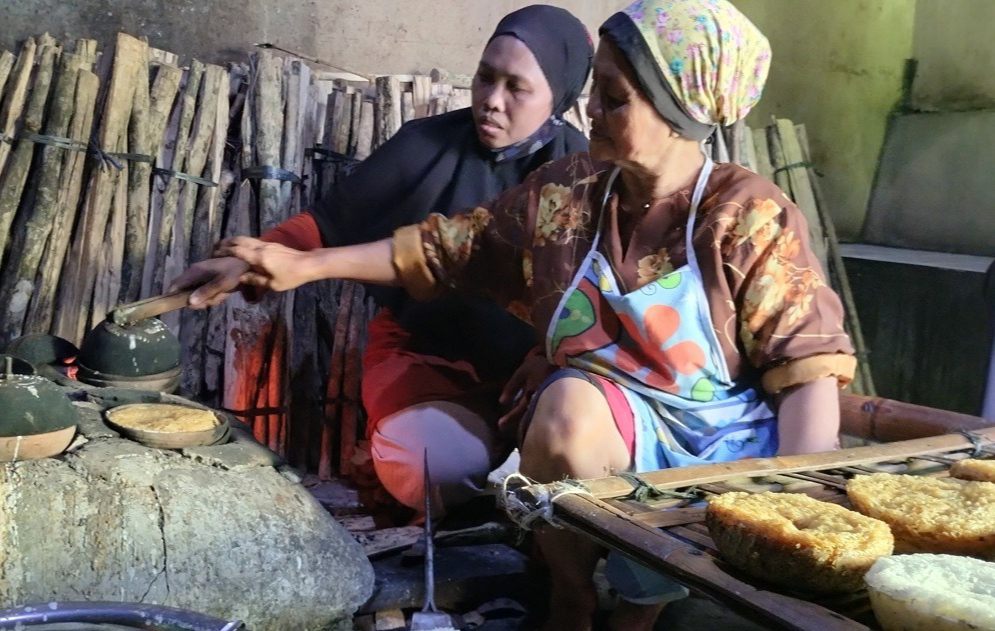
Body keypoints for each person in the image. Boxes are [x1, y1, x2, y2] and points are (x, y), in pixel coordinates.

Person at [201, 0, 857, 628]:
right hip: (613, 427)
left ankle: (638, 612)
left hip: (721, 450)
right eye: (593, 89)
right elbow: (446, 247)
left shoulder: (744, 216)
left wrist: (789, 507)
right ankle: (567, 599)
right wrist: (300, 264)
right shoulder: (570, 196)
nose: (590, 108)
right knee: (565, 405)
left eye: (613, 96)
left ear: (677, 111)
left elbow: (806, 374)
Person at [174, 5, 593, 513]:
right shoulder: (425, 145)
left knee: (576, 456)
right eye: (485, 78)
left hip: (532, 375)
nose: (491, 101)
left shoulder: (581, 176)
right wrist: (249, 261)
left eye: (516, 88)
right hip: (424, 358)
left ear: (559, 98)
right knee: (422, 464)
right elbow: (326, 225)